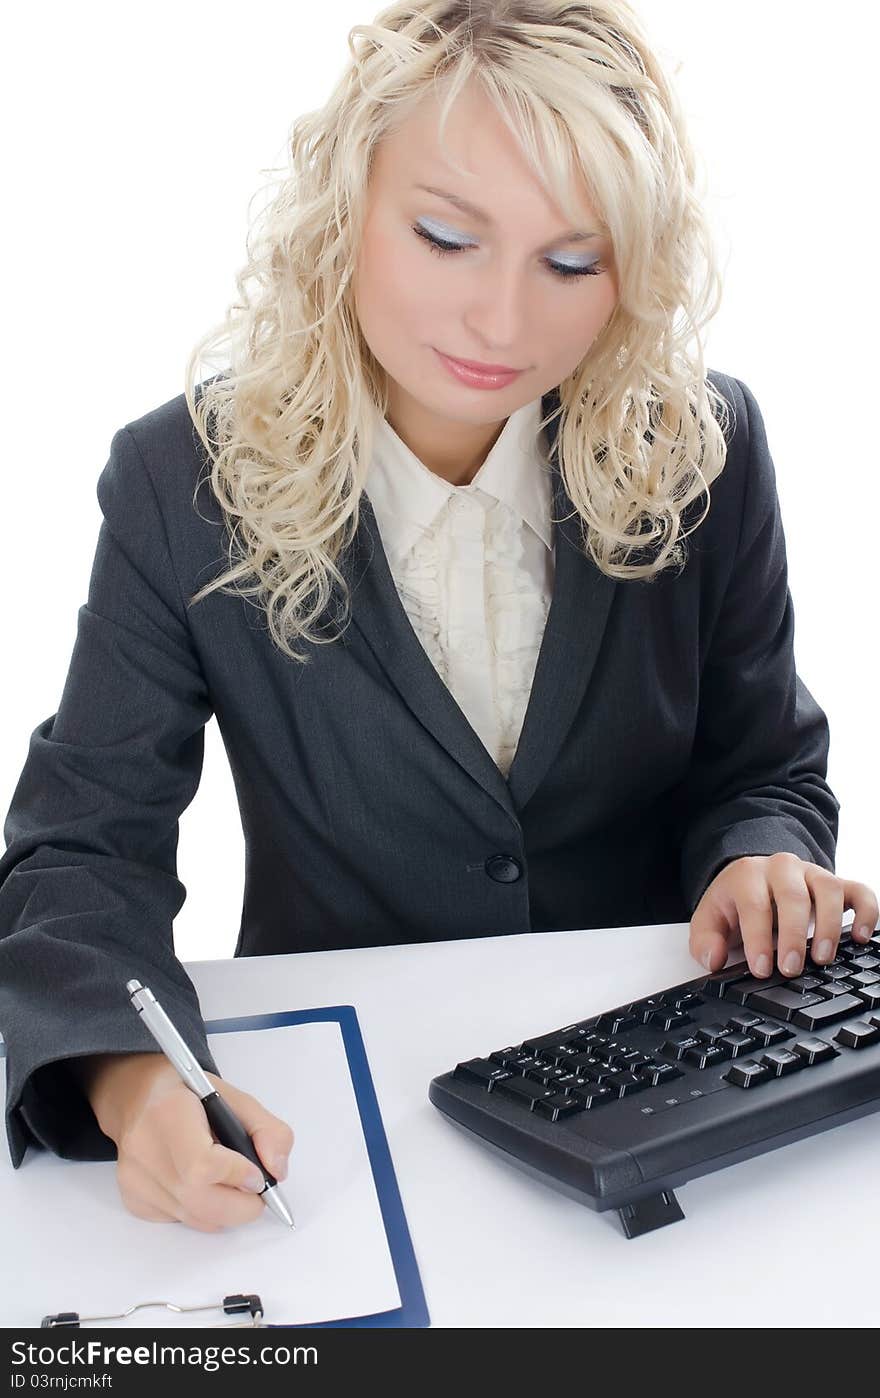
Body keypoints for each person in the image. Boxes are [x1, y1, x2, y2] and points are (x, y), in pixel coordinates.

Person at [1, 0, 875, 1236]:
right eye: (446, 237)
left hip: (666, 1093)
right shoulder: (180, 482)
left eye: (571, 263)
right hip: (349, 1122)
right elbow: (82, 853)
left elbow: (763, 764)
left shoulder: (703, 446)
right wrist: (129, 1078)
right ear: (344, 209)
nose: (502, 324)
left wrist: (756, 854)